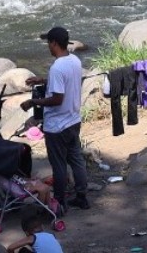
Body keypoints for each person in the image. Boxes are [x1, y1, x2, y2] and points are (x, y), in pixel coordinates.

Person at [20, 27, 89, 212]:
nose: (48, 47)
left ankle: (59, 202)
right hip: (73, 119)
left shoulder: (57, 67)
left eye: (49, 43)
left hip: (57, 126)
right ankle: (82, 197)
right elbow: (65, 81)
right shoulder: (74, 60)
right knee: (76, 160)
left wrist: (33, 101)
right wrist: (43, 79)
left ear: (54, 43)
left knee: (58, 165)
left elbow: (57, 98)